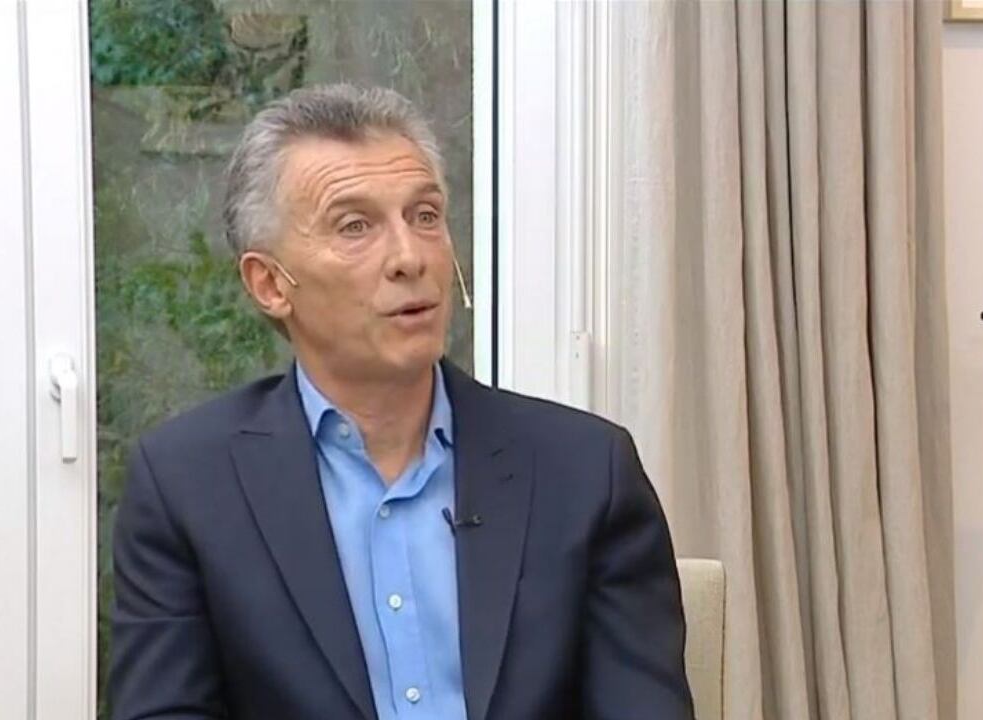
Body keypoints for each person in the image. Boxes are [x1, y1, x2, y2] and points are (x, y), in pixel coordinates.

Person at [109, 83, 693, 720]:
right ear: (270, 283)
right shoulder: (188, 485)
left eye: (425, 216)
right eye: (355, 226)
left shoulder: (586, 471)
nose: (410, 258)